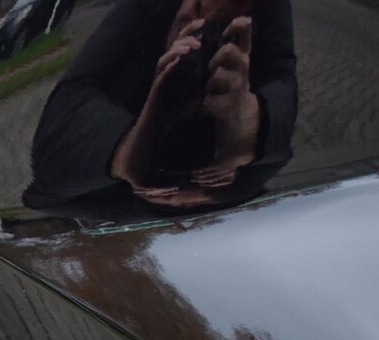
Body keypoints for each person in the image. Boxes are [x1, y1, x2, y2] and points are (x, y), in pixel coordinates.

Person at [24, 0, 296, 211]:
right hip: (111, 208)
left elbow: (283, 79)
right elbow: (66, 106)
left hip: (236, 209)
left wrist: (253, 122)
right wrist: (127, 148)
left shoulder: (269, 12)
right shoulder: (140, 8)